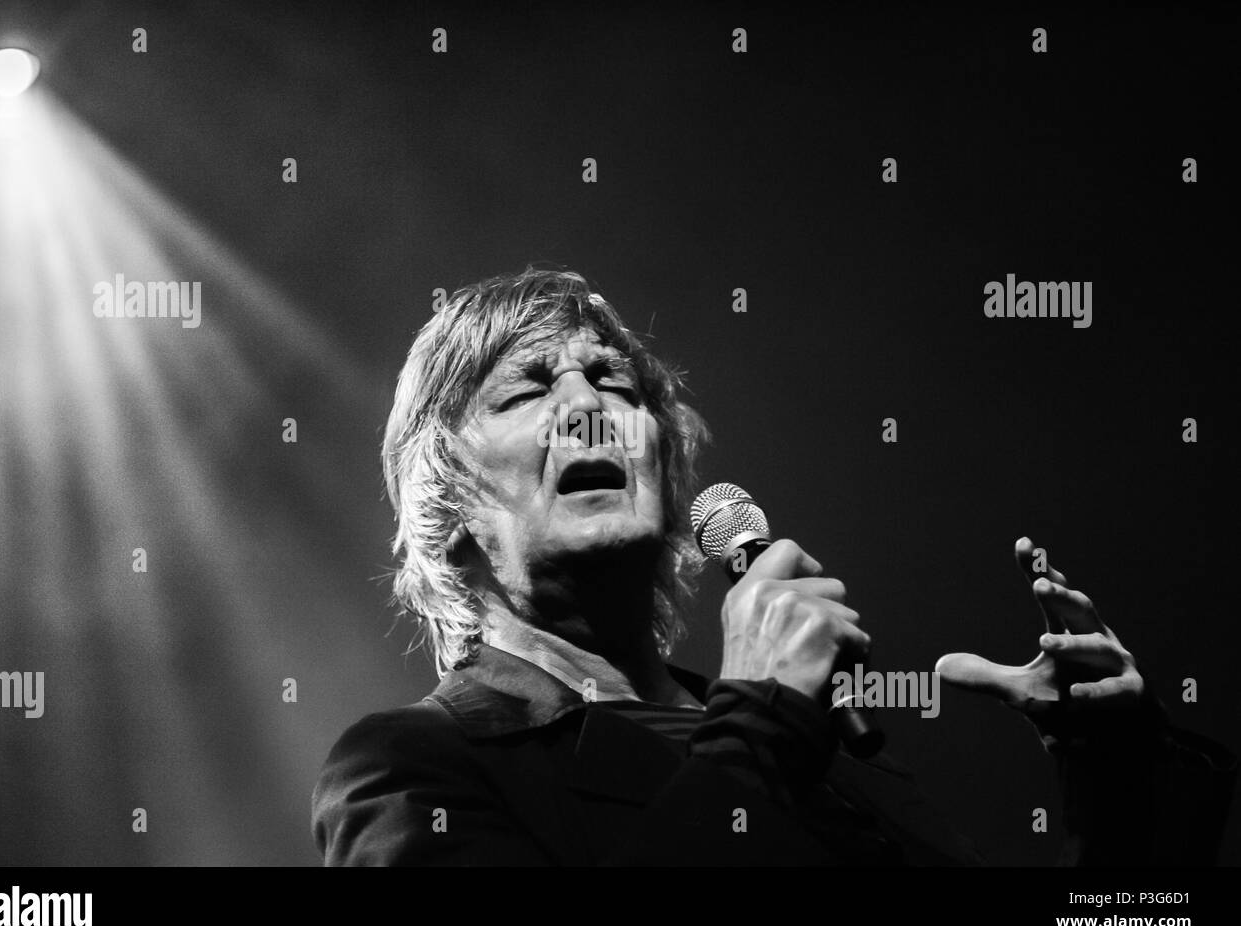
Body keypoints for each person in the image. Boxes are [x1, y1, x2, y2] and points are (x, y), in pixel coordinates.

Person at [311, 267, 1235, 865]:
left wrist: (1121, 786)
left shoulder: (829, 749)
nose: (588, 409)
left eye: (616, 386)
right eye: (525, 389)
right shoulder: (409, 770)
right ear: (448, 510)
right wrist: (757, 725)